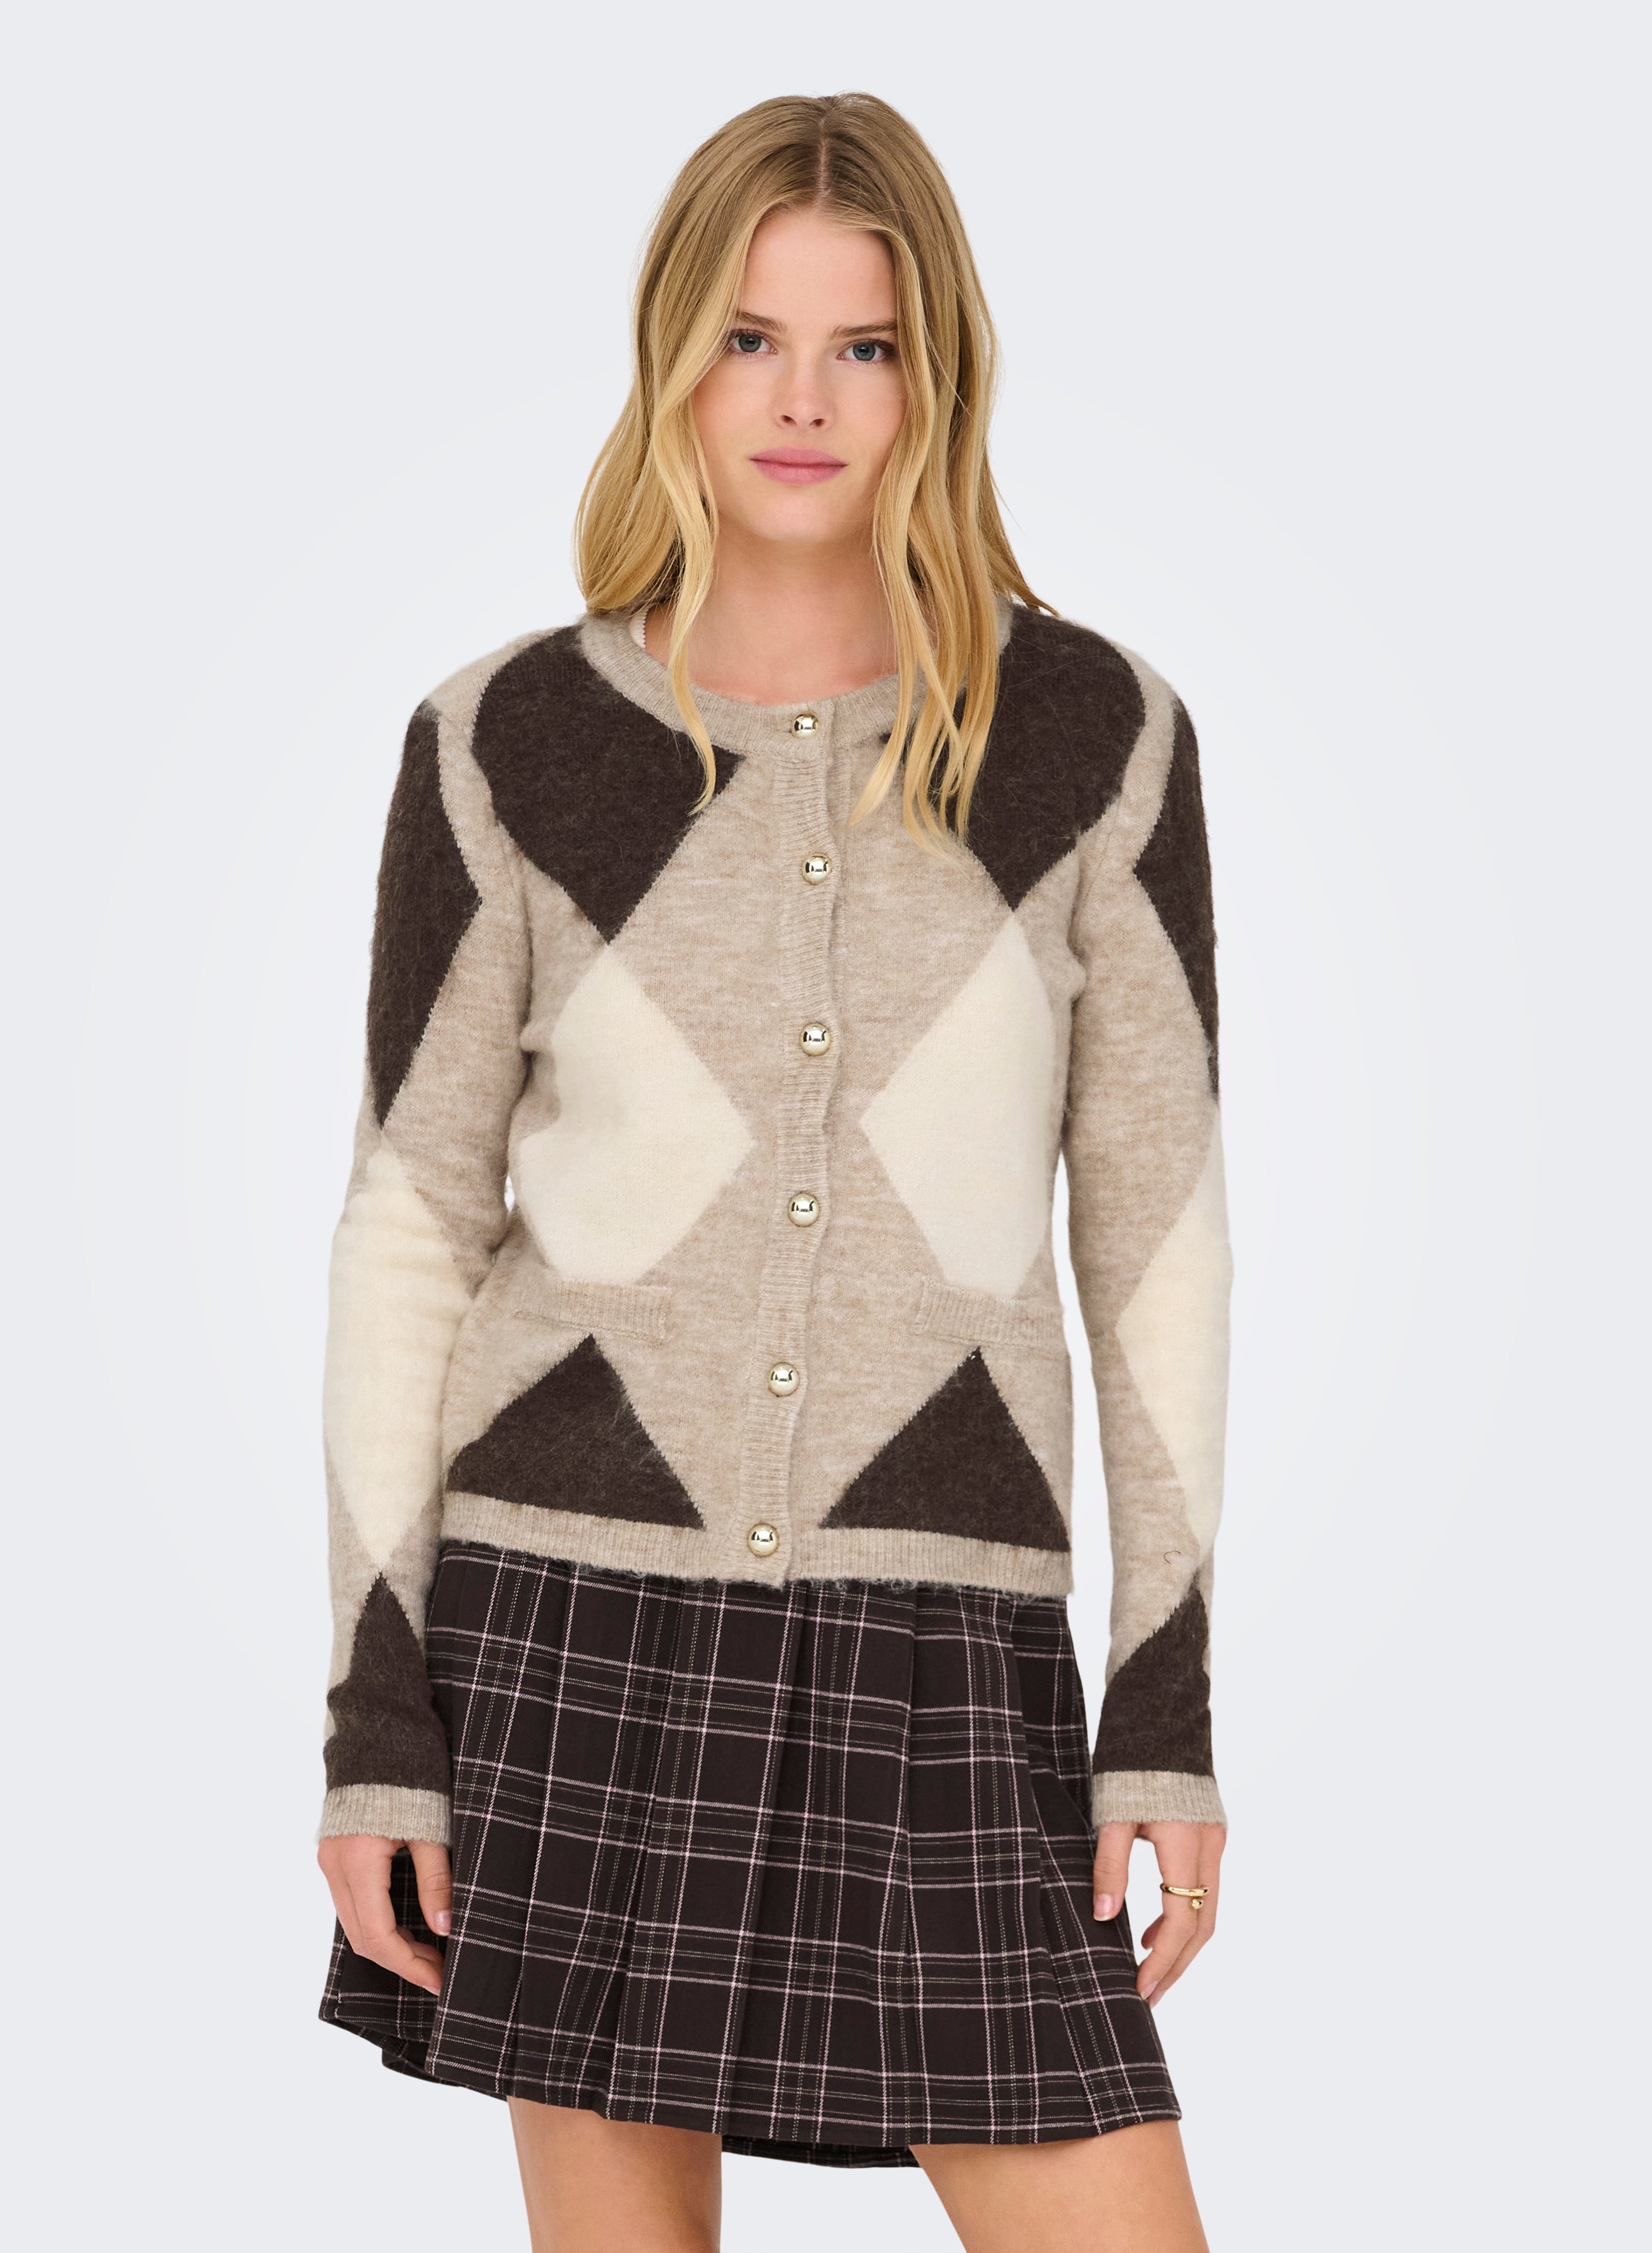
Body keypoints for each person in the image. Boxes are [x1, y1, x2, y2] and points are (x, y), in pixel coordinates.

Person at [315, 90, 1231, 2253]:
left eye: (864, 346)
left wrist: (1162, 1706)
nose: (803, 400)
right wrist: (378, 1722)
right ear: (673, 361)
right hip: (569, 1627)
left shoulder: (1098, 743)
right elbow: (411, 1233)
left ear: (939, 377)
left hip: (947, 1641)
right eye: (751, 338)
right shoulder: (504, 743)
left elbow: (1160, 1241)